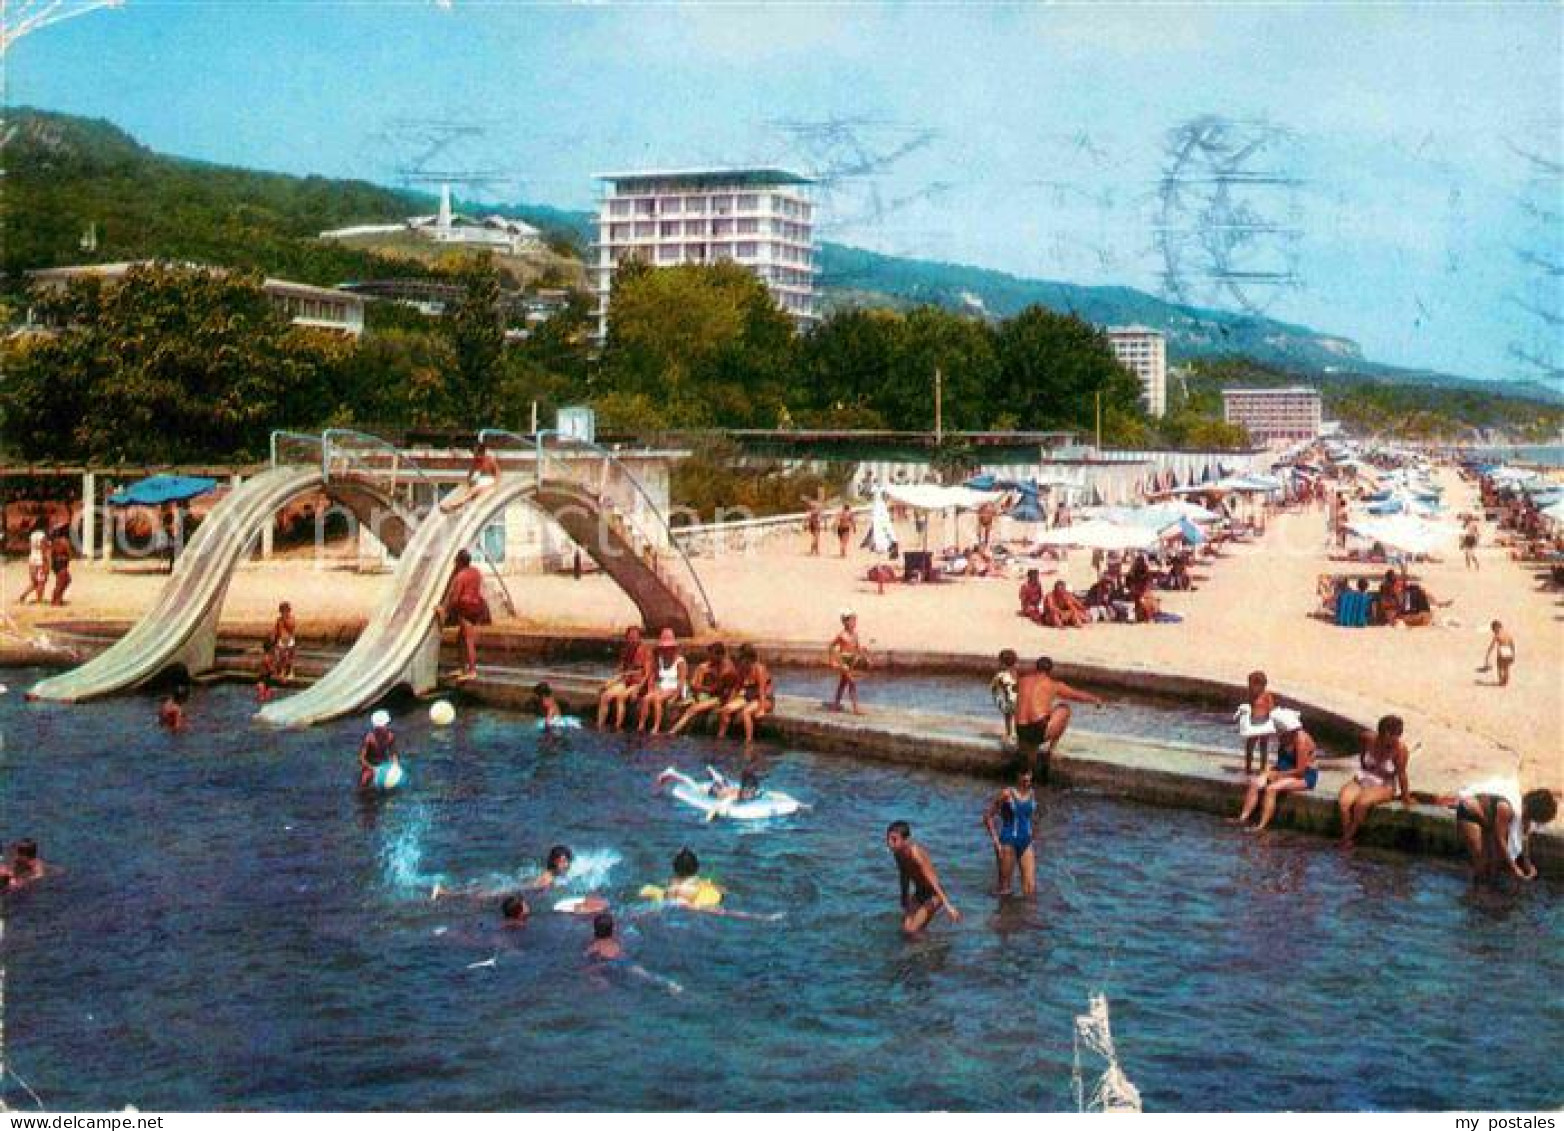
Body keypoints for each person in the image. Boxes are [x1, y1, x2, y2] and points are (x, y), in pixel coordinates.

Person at [1014, 657, 1103, 780]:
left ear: (1035, 668)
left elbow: (1017, 693)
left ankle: (1028, 764)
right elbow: (1076, 695)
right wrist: (1095, 699)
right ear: (1050, 671)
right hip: (1038, 729)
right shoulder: (1054, 685)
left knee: (1029, 757)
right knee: (1064, 708)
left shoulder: (1022, 680)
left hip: (1020, 729)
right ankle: (1051, 750)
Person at [1444, 786, 1557, 881]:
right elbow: (1500, 839)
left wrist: (1528, 865)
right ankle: (1475, 893)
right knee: (1482, 862)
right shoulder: (1506, 808)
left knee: (1494, 864)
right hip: (1470, 814)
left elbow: (1524, 839)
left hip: (1490, 820)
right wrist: (1514, 868)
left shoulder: (1526, 817)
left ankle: (1486, 893)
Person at [1234, 708, 1318, 831]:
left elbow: (1301, 770)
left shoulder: (1301, 740)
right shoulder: (1284, 736)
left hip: (1305, 776)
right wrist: (1269, 771)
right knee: (1255, 783)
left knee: (1271, 789)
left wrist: (1278, 775)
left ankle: (1261, 826)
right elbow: (1282, 761)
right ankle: (1242, 818)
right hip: (1284, 770)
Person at [1337, 715, 1412, 846]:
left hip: (1384, 784)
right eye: (1388, 736)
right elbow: (1361, 753)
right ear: (1381, 733)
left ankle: (1346, 838)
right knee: (1344, 802)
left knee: (1361, 803)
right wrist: (1364, 765)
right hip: (1362, 778)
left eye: (1395, 736)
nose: (1391, 740)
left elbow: (1402, 775)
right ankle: (1347, 837)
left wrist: (1406, 797)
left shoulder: (1400, 750)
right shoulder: (1367, 738)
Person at [886, 821, 960, 935]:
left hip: (934, 895)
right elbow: (904, 875)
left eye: (894, 839)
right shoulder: (897, 854)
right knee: (906, 929)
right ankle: (924, 944)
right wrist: (904, 898)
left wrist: (948, 906)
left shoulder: (915, 854)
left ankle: (931, 946)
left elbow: (932, 880)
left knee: (912, 931)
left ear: (906, 840)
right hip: (920, 893)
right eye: (888, 839)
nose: (890, 843)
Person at [983, 767, 1038, 896]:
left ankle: (1026, 916)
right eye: (1023, 774)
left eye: (1029, 774)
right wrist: (996, 843)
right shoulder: (1006, 794)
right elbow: (988, 817)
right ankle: (1003, 915)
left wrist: (1033, 835)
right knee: (1004, 890)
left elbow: (1029, 817)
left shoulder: (1032, 793)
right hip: (1008, 843)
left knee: (1030, 889)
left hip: (1026, 843)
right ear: (1017, 775)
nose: (1026, 778)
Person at [439, 550, 490, 682]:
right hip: (476, 605)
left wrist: (444, 610)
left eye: (456, 561)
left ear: (459, 561)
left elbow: (455, 598)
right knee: (460, 639)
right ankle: (462, 668)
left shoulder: (460, 576)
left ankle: (472, 671)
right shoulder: (476, 572)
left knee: (468, 639)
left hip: (465, 608)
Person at [668, 642, 735, 736]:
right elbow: (701, 686)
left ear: (719, 655)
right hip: (710, 696)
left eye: (712, 655)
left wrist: (699, 688)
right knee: (678, 707)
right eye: (709, 655)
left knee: (692, 709)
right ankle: (677, 731)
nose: (709, 658)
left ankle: (672, 732)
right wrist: (697, 688)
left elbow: (714, 689)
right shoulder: (713, 665)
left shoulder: (726, 669)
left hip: (720, 699)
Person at [597, 626, 651, 729]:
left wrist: (639, 688)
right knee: (605, 696)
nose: (632, 639)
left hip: (637, 683)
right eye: (630, 637)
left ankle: (617, 727)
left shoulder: (645, 651)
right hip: (626, 682)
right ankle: (600, 725)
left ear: (639, 638)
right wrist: (610, 682)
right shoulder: (625, 651)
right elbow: (621, 673)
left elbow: (647, 674)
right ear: (627, 638)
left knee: (621, 697)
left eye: (635, 637)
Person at [716, 643, 772, 743]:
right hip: (748, 697)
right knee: (726, 710)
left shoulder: (759, 669)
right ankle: (721, 736)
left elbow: (762, 690)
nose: (739, 660)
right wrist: (728, 703)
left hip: (764, 699)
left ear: (749, 658)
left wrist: (761, 709)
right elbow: (736, 688)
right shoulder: (742, 669)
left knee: (746, 712)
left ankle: (748, 740)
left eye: (741, 657)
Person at [636, 628, 688, 735]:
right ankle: (641, 724)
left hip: (675, 687)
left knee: (657, 700)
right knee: (646, 699)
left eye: (668, 648)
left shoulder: (680, 661)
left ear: (673, 648)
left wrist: (675, 696)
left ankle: (656, 726)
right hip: (663, 686)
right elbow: (654, 676)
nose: (665, 650)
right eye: (664, 648)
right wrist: (652, 689)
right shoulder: (660, 659)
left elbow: (681, 681)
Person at [440, 439, 502, 513]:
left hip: (489, 482)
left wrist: (493, 486)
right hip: (480, 483)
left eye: (477, 454)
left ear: (483, 452)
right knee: (470, 493)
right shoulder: (475, 461)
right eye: (474, 453)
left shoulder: (490, 460)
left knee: (473, 492)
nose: (476, 456)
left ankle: (453, 505)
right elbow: (470, 475)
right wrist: (468, 484)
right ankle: (455, 508)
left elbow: (498, 475)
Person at [828, 609, 871, 714]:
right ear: (845, 622)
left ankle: (836, 705)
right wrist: (832, 660)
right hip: (844, 661)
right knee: (852, 682)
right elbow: (831, 647)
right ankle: (855, 708)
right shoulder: (841, 635)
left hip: (852, 660)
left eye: (854, 621)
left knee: (843, 683)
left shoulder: (855, 635)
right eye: (851, 621)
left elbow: (857, 648)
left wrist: (864, 653)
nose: (853, 623)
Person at [1241, 670, 1275, 776]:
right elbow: (1248, 708)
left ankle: (1262, 767)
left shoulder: (1266, 695)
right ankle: (1248, 767)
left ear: (1261, 685)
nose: (1250, 688)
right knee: (1249, 746)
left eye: (1252, 685)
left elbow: (1271, 709)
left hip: (1264, 722)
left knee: (1263, 746)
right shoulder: (1250, 695)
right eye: (1249, 685)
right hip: (1253, 722)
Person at [358, 709, 398, 789]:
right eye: (382, 726)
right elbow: (361, 758)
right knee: (364, 783)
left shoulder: (390, 736)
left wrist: (395, 765)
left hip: (382, 764)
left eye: (386, 725)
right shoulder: (369, 738)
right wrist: (373, 768)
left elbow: (393, 753)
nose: (385, 728)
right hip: (370, 765)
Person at [990, 648, 1020, 744]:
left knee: (1008, 717)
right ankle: (1016, 735)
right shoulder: (1016, 673)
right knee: (1016, 718)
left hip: (1009, 700)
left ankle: (1010, 735)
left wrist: (997, 699)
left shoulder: (1001, 675)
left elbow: (993, 686)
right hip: (1019, 700)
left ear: (1002, 663)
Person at [1482, 621, 1516, 687]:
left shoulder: (1497, 635)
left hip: (1502, 651)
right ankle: (1505, 681)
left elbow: (1492, 645)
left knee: (1499, 666)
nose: (1493, 631)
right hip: (1509, 650)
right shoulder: (1508, 634)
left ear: (1496, 628)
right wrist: (1513, 654)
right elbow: (1512, 644)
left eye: (1493, 629)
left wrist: (1488, 653)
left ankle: (1501, 681)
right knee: (1506, 667)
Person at [270, 602, 297, 682]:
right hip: (281, 640)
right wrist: (273, 635)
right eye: (282, 611)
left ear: (289, 611)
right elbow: (276, 629)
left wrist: (285, 620)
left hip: (289, 640)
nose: (283, 613)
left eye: (285, 611)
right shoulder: (279, 619)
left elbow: (291, 628)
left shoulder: (291, 619)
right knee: (280, 657)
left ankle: (290, 673)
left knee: (289, 658)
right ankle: (281, 673)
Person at [25, 528, 49, 604]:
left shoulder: (32, 535)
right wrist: (45, 560)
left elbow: (30, 546)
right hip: (40, 559)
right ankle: (39, 600)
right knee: (42, 581)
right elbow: (43, 548)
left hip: (32, 558)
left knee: (34, 582)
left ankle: (23, 596)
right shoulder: (42, 535)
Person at [49, 526, 72, 606]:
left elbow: (52, 553)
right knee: (63, 582)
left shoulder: (54, 541)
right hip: (61, 563)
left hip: (56, 563)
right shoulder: (64, 541)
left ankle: (57, 599)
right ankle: (55, 600)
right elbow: (69, 554)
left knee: (65, 580)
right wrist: (67, 559)